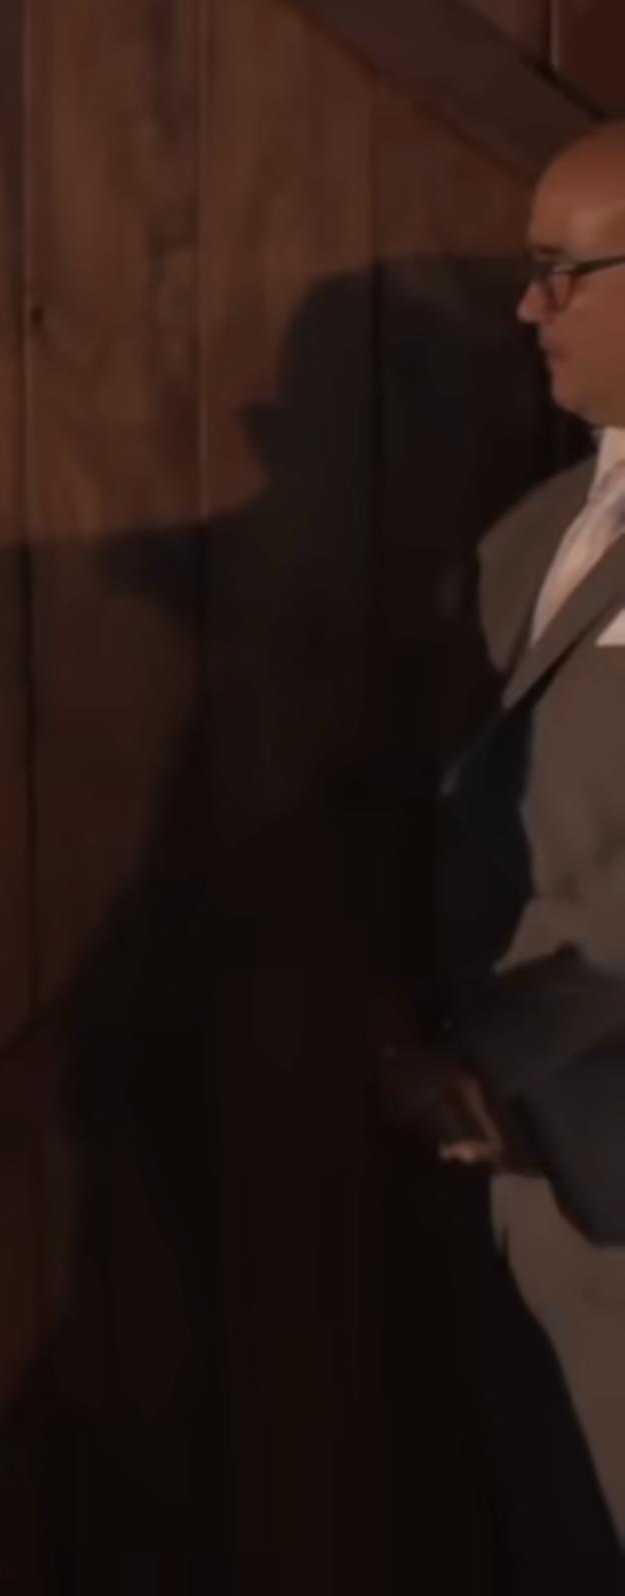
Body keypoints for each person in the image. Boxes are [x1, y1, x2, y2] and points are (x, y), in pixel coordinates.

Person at [389, 120, 625, 1568]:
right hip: (522, 1190)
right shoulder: (530, 536)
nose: (527, 309)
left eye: (561, 273)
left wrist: (495, 1049)